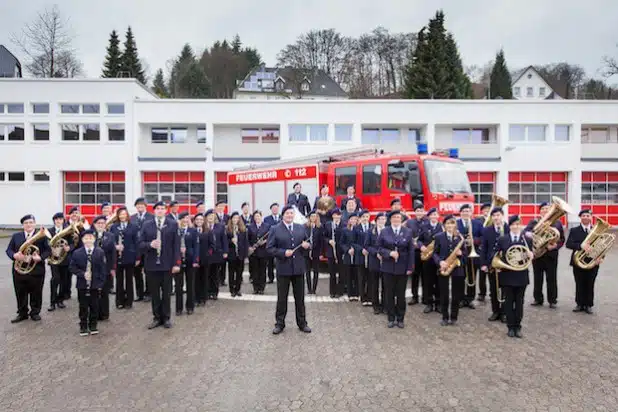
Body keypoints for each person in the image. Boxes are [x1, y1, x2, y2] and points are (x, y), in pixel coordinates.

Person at [267, 205, 312, 335]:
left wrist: (306, 246)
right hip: (283, 269)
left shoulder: (300, 227)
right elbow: (270, 248)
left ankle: (302, 323)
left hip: (298, 269)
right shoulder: (275, 229)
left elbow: (308, 244)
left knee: (300, 298)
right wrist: (282, 252)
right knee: (282, 298)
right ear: (283, 215)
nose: (290, 216)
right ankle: (279, 323)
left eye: (291, 214)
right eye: (287, 214)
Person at [140, 201, 181, 329]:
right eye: (158, 208)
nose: (160, 210)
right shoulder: (147, 225)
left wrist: (176, 263)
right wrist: (149, 245)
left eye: (162, 208)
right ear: (154, 211)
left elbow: (176, 246)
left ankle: (166, 318)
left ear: (165, 210)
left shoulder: (173, 224)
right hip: (152, 265)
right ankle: (157, 318)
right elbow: (140, 244)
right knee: (155, 294)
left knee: (167, 292)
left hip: (167, 264)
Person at [6, 214, 50, 323]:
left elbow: (48, 250)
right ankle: (22, 313)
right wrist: (14, 255)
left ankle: (35, 312)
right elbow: (9, 250)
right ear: (23, 225)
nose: (28, 224)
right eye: (26, 223)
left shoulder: (42, 236)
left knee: (36, 292)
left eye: (31, 222)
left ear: (34, 223)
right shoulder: (16, 236)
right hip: (19, 270)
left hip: (36, 269)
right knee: (20, 292)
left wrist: (40, 257)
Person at [495, 215, 534, 338]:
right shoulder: (503, 239)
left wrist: (531, 255)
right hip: (507, 275)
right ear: (510, 226)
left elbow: (529, 256)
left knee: (519, 302)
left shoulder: (527, 240)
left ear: (520, 225)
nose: (516, 227)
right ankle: (510, 327)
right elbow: (496, 254)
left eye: (518, 224)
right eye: (513, 225)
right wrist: (497, 264)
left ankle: (518, 326)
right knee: (508, 302)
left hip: (521, 275)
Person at [378, 210, 414, 329]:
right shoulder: (384, 231)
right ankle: (391, 318)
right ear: (390, 219)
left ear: (401, 219)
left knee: (400, 295)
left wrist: (410, 267)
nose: (396, 219)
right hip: (388, 268)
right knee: (389, 294)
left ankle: (400, 318)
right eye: (394, 217)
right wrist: (389, 253)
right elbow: (379, 248)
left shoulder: (408, 232)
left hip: (402, 268)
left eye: (398, 217)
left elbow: (411, 251)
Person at [526, 202, 564, 308]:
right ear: (540, 211)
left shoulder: (557, 223)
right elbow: (525, 232)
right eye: (543, 209)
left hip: (551, 255)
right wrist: (529, 234)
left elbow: (562, 239)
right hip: (537, 254)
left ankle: (552, 300)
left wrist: (556, 246)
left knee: (551, 278)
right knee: (538, 278)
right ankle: (538, 299)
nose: (545, 210)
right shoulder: (534, 222)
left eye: (547, 209)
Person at [69, 229, 107, 336]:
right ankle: (83, 326)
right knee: (83, 306)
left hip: (95, 285)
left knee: (94, 306)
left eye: (90, 238)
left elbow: (103, 269)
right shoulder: (77, 253)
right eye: (86, 238)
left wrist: (100, 284)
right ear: (82, 240)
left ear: (94, 239)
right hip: (82, 284)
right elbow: (72, 267)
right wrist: (82, 274)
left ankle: (93, 325)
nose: (88, 240)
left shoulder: (100, 252)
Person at [566, 209, 602, 314]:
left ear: (591, 217)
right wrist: (581, 246)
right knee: (579, 283)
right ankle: (579, 304)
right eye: (584, 215)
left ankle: (589, 305)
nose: (586, 217)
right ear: (580, 217)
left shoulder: (597, 230)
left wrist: (601, 257)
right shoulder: (574, 230)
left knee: (590, 283)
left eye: (588, 215)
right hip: (578, 262)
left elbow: (602, 246)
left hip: (593, 262)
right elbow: (568, 244)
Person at [434, 215, 467, 326]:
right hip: (444, 267)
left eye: (452, 223)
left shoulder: (460, 237)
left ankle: (454, 317)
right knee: (444, 294)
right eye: (448, 223)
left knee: (456, 294)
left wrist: (461, 254)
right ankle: (444, 316)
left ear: (455, 225)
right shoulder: (439, 237)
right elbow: (435, 253)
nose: (450, 226)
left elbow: (466, 254)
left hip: (457, 268)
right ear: (444, 225)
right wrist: (440, 262)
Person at [480, 207, 509, 322]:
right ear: (491, 217)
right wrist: (483, 264)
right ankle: (495, 311)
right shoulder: (487, 230)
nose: (496, 217)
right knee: (493, 289)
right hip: (491, 264)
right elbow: (484, 249)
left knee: (505, 289)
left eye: (498, 215)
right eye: (494, 216)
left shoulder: (508, 228)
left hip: (505, 264)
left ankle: (504, 312)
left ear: (502, 215)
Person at [110, 207, 139, 310]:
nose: (122, 216)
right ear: (118, 215)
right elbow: (110, 241)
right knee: (119, 280)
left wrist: (137, 257)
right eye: (120, 214)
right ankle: (119, 301)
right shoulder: (113, 227)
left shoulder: (134, 227)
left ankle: (129, 302)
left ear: (127, 215)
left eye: (124, 214)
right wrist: (115, 246)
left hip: (130, 256)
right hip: (117, 257)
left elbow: (137, 242)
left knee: (129, 280)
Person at [457, 204, 482, 310]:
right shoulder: (456, 223)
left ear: (471, 212)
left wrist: (474, 240)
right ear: (460, 213)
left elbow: (483, 236)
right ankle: (461, 298)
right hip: (461, 254)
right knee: (461, 277)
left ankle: (470, 298)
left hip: (473, 253)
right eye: (463, 211)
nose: (466, 213)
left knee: (472, 276)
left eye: (468, 211)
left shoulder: (477, 223)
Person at [92, 215, 116, 321]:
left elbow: (113, 253)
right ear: (94, 225)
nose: (100, 225)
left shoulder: (110, 236)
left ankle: (105, 313)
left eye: (102, 223)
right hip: (93, 268)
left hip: (105, 268)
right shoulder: (90, 235)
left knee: (105, 292)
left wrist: (112, 268)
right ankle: (95, 313)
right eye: (98, 223)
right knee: (94, 292)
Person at [419, 208, 443, 314]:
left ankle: (438, 303)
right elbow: (419, 240)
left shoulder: (442, 226)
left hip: (439, 258)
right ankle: (429, 303)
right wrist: (421, 246)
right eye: (432, 214)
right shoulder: (424, 226)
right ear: (429, 216)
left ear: (438, 216)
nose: (434, 216)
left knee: (439, 282)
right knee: (428, 281)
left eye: (435, 214)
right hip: (427, 258)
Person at [201, 209, 228, 300]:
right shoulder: (204, 227)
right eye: (209, 216)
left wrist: (225, 251)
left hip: (217, 253)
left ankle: (215, 292)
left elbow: (224, 240)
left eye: (212, 216)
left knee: (215, 274)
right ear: (206, 217)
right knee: (206, 274)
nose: (211, 218)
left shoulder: (220, 226)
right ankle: (207, 292)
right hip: (207, 254)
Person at [130, 197, 153, 303]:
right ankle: (140, 294)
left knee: (149, 272)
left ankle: (149, 293)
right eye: (138, 205)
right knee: (137, 273)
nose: (140, 207)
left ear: (145, 206)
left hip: (148, 248)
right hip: (135, 249)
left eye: (142, 205)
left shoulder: (151, 217)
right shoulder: (132, 218)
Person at [47, 212, 72, 311]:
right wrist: (51, 249)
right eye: (56, 219)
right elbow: (46, 243)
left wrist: (69, 247)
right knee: (55, 279)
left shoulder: (67, 231)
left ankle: (60, 300)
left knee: (64, 280)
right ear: (54, 221)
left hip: (64, 259)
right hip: (54, 260)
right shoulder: (49, 231)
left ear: (63, 220)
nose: (58, 221)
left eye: (60, 219)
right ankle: (52, 302)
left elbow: (72, 243)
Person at [176, 212, 198, 315]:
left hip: (190, 260)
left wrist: (195, 260)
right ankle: (178, 308)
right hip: (178, 261)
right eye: (183, 218)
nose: (185, 220)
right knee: (178, 286)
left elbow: (196, 247)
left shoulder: (193, 231)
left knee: (190, 285)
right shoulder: (176, 231)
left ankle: (190, 307)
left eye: (187, 218)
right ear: (180, 220)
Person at [366, 213, 387, 314]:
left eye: (383, 219)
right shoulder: (371, 231)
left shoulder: (388, 231)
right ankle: (376, 305)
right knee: (374, 285)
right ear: (376, 220)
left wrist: (384, 253)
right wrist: (376, 253)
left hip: (386, 262)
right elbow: (367, 246)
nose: (382, 221)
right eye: (380, 219)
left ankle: (384, 305)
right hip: (374, 261)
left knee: (385, 285)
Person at [405, 202, 425, 305]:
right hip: (415, 252)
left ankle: (426, 297)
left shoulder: (428, 221)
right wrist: (413, 242)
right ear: (414, 212)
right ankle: (414, 297)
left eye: (421, 211)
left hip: (425, 251)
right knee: (415, 275)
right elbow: (407, 235)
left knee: (426, 275)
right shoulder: (410, 222)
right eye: (417, 211)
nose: (419, 213)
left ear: (424, 211)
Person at [226, 212, 249, 297]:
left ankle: (238, 289)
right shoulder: (228, 229)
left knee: (239, 273)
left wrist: (246, 255)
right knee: (231, 273)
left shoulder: (243, 229)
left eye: (237, 218)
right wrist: (230, 241)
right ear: (231, 219)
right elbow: (225, 242)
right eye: (234, 218)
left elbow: (246, 243)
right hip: (232, 254)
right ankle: (232, 289)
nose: (235, 220)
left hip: (240, 254)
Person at [248, 211, 270, 294]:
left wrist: (265, 242)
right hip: (254, 252)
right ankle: (255, 288)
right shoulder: (250, 227)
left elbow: (270, 238)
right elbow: (248, 239)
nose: (257, 218)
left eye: (258, 216)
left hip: (263, 252)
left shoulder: (267, 226)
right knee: (255, 271)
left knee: (262, 271)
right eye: (255, 216)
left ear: (261, 217)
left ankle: (261, 288)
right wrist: (250, 247)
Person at [324, 209, 344, 298]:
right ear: (332, 216)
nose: (337, 217)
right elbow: (324, 237)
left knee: (341, 272)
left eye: (338, 215)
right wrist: (329, 241)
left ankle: (340, 291)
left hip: (341, 251)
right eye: (335, 215)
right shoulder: (328, 225)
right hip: (331, 251)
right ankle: (332, 291)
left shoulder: (344, 225)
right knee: (332, 273)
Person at [341, 212, 360, 301]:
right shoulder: (345, 230)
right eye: (352, 219)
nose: (353, 221)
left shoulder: (359, 230)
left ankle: (356, 293)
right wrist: (347, 250)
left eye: (355, 219)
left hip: (357, 256)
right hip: (348, 256)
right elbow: (342, 243)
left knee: (356, 275)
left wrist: (355, 249)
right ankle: (350, 294)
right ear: (349, 220)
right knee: (348, 275)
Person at [355, 210, 372, 306]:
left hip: (370, 257)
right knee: (361, 278)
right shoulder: (356, 228)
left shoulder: (372, 227)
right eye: (363, 217)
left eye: (367, 216)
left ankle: (370, 297)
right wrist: (361, 249)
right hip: (360, 256)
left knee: (371, 278)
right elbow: (353, 242)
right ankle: (363, 298)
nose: (365, 218)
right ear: (360, 218)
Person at [475, 202, 491, 302]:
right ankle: (482, 293)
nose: (487, 211)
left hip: (491, 249)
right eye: (485, 209)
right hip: (481, 249)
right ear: (482, 211)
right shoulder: (478, 221)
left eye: (489, 209)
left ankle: (493, 292)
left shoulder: (495, 220)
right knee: (482, 273)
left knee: (492, 272)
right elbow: (476, 234)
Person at [304, 210, 323, 295]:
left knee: (316, 271)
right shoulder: (305, 227)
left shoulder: (319, 227)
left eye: (315, 216)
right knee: (307, 271)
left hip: (316, 252)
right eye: (311, 216)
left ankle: (314, 289)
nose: (313, 218)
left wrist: (321, 253)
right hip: (306, 252)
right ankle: (309, 288)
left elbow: (321, 242)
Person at [264, 202, 281, 283]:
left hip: (281, 242)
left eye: (276, 208)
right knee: (270, 262)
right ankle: (270, 278)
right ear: (271, 210)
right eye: (273, 208)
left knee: (280, 260)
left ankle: (280, 276)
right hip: (271, 242)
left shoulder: (282, 217)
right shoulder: (267, 219)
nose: (275, 209)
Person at [193, 213, 208, 305]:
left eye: (201, 220)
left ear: (203, 221)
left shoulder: (207, 231)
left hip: (204, 259)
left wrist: (207, 254)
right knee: (195, 280)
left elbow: (212, 245)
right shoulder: (192, 231)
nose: (199, 221)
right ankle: (195, 298)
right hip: (194, 260)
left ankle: (203, 298)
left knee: (204, 279)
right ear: (194, 221)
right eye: (197, 219)